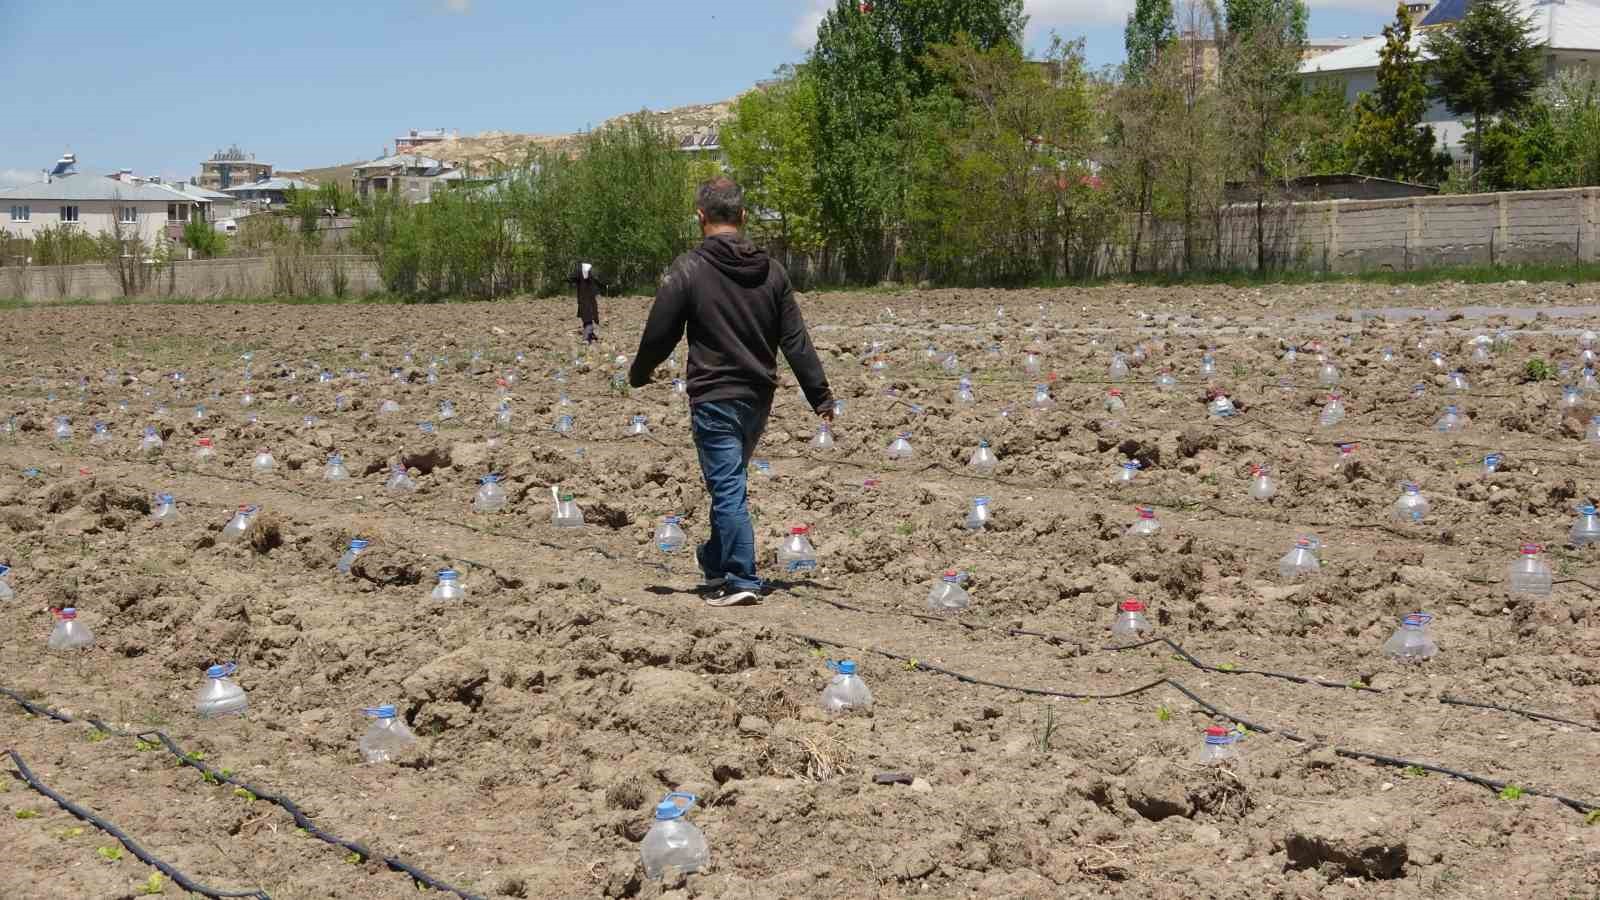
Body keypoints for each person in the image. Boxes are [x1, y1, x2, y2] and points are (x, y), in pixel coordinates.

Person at [628, 177, 833, 607]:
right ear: (741, 217)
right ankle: (715, 561)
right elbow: (795, 339)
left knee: (727, 488)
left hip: (714, 395)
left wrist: (640, 372)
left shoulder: (688, 269)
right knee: (729, 482)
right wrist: (820, 394)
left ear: (701, 217)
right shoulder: (773, 271)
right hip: (758, 398)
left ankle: (742, 577)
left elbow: (660, 331)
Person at [570, 262, 607, 344]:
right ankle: (586, 338)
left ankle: (589, 336)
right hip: (589, 302)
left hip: (583, 301)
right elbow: (599, 282)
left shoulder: (579, 276)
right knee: (589, 321)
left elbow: (572, 278)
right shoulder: (590, 277)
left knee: (587, 320)